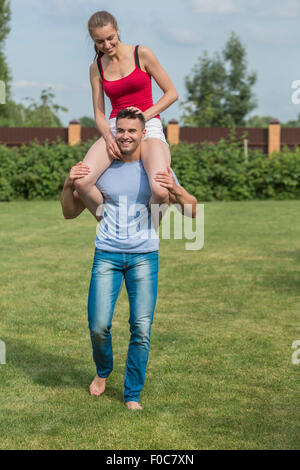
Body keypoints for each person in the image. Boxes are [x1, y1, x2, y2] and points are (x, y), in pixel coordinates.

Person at [60, 109, 197, 410]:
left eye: (132, 131)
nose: (125, 136)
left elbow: (192, 210)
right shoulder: (102, 169)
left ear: (143, 134)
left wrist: (175, 190)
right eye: (120, 130)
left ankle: (132, 393)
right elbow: (69, 212)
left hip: (144, 257)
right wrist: (68, 184)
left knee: (141, 327)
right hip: (106, 254)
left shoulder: (156, 171)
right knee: (98, 325)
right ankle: (103, 371)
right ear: (114, 131)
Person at [73, 10, 178, 219]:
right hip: (115, 127)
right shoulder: (96, 68)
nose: (107, 45)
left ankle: (149, 231)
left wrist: (143, 118)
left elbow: (172, 94)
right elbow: (99, 114)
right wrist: (109, 137)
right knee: (82, 182)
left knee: (159, 189)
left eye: (110, 38)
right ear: (94, 41)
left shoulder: (142, 53)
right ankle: (110, 224)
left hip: (149, 124)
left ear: (117, 31)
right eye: (100, 41)